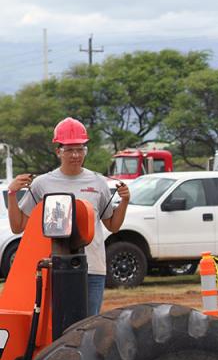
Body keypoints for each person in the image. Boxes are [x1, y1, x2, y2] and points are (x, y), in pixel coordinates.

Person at [8, 117, 129, 316]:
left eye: (80, 149)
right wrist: (12, 195)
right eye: (69, 150)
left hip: (93, 268)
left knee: (89, 328)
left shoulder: (98, 182)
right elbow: (18, 226)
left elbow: (113, 225)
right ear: (58, 151)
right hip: (55, 268)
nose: (75, 155)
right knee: (58, 328)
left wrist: (124, 201)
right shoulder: (42, 184)